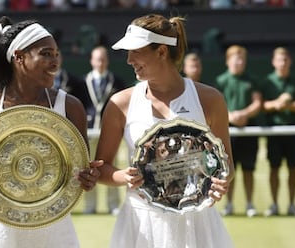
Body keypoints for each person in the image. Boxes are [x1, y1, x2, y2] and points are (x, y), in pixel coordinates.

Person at [0, 16, 102, 247]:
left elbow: (81, 172)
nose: (55, 61)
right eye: (46, 54)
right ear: (19, 57)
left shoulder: (71, 107)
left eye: (56, 54)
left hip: (56, 229)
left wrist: (89, 178)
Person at [95, 14, 235, 247]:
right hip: (140, 224)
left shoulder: (210, 99)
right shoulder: (120, 103)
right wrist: (124, 176)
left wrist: (220, 180)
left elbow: (226, 164)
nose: (129, 60)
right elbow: (100, 168)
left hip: (197, 222)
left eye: (136, 52)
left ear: (161, 51)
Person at [214, 45, 262, 217]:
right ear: (228, 61)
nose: (238, 62)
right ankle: (229, 204)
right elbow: (216, 106)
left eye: (241, 59)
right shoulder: (220, 81)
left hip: (249, 130)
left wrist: (244, 114)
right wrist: (230, 116)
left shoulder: (252, 79)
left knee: (249, 169)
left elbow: (257, 103)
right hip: (228, 132)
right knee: (228, 169)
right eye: (235, 59)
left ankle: (250, 204)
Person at [81, 45, 127, 215]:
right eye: (97, 59)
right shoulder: (83, 82)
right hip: (89, 130)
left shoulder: (117, 81)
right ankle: (90, 206)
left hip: (109, 131)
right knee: (88, 168)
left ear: (107, 61)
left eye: (103, 59)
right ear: (92, 61)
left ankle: (113, 204)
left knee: (110, 167)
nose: (100, 62)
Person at [262, 47, 295, 217]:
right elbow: (263, 105)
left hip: (293, 131)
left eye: (286, 59)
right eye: (280, 59)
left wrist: (287, 104)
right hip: (274, 132)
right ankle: (274, 205)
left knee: (293, 168)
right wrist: (276, 104)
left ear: (290, 61)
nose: (283, 62)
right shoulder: (267, 82)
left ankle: (292, 205)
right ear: (274, 62)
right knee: (274, 168)